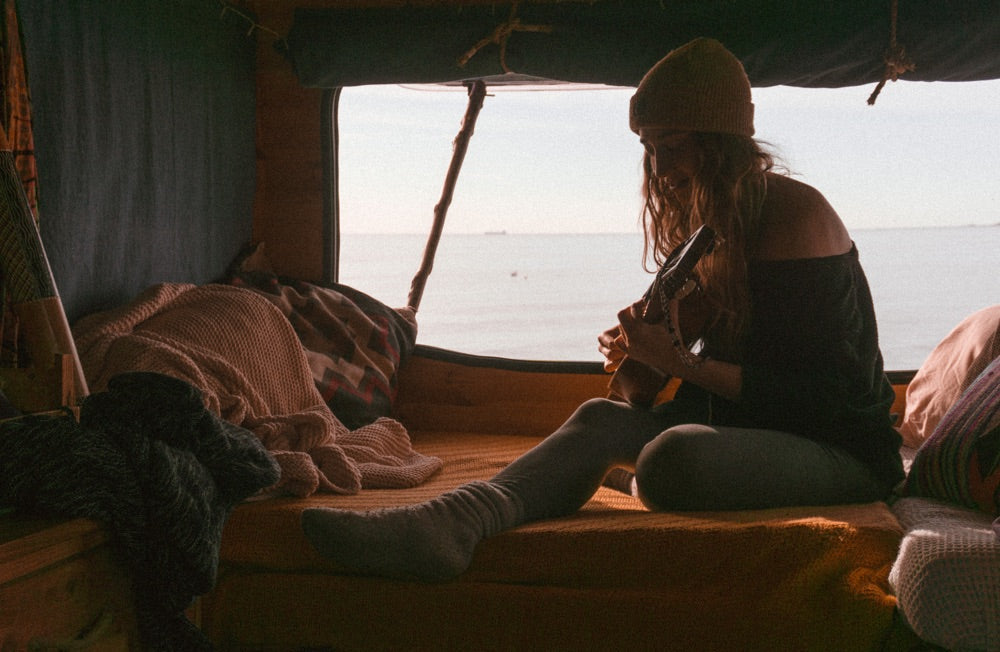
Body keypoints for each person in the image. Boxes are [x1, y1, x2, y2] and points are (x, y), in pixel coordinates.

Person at [301, 37, 905, 582]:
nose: (662, 170)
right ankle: (454, 523)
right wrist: (647, 350)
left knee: (674, 459)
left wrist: (684, 364)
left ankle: (631, 475)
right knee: (597, 418)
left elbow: (823, 396)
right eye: (650, 149)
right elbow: (644, 391)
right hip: (751, 432)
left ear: (720, 144)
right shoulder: (710, 227)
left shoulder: (795, 219)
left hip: (840, 449)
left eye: (674, 147)